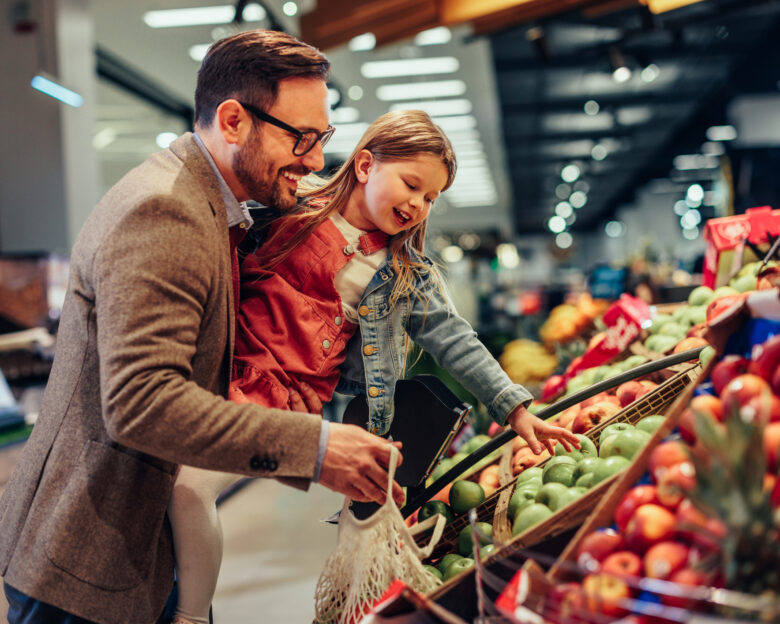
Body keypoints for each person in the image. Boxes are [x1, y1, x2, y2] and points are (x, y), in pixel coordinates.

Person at [0, 30, 403, 624]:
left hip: (132, 546)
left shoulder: (210, 205)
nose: (317, 160)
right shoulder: (166, 210)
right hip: (89, 564)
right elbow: (141, 402)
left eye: (324, 138)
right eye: (303, 138)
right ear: (234, 120)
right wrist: (315, 449)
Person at [168, 110, 580, 624]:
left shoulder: (405, 275)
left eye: (430, 197)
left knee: (190, 488)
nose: (418, 204)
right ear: (365, 164)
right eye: (411, 184)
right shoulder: (289, 209)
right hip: (213, 372)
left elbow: (456, 340)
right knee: (171, 489)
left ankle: (190, 617)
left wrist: (515, 408)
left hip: (283, 400)